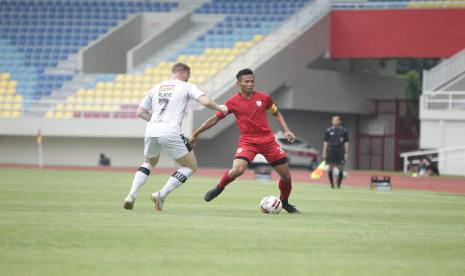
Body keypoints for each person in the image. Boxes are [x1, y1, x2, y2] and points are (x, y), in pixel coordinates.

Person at [189, 68, 300, 213]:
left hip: (268, 141)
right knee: (238, 170)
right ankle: (219, 188)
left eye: (252, 81)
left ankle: (284, 202)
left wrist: (286, 130)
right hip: (248, 141)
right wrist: (196, 133)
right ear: (238, 83)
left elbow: (276, 113)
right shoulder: (232, 102)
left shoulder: (264, 98)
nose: (250, 84)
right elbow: (215, 119)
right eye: (246, 81)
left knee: (286, 176)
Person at [123, 63, 227, 211]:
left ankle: (131, 196)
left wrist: (156, 122)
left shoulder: (156, 87)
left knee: (149, 162)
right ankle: (161, 194)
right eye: (188, 75)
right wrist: (219, 108)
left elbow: (140, 112)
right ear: (185, 73)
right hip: (170, 129)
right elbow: (204, 101)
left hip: (151, 128)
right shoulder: (186, 86)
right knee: (190, 166)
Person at [322, 115, 349, 189]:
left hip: (340, 149)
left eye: (336, 120)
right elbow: (325, 142)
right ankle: (332, 185)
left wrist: (346, 152)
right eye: (333, 120)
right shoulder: (328, 130)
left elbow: (346, 142)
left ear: (340, 121)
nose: (334, 121)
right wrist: (324, 152)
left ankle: (338, 185)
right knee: (330, 167)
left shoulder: (344, 131)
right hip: (331, 149)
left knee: (341, 167)